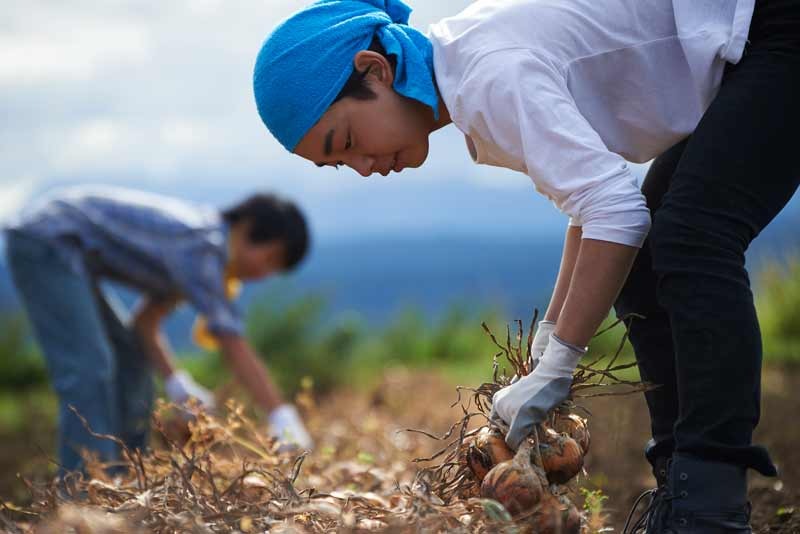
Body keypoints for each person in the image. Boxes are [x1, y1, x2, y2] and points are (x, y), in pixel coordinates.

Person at [250, 0, 800, 531]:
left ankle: (709, 509)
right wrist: (548, 341)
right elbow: (588, 205)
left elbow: (615, 211)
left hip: (773, 28)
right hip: (747, 46)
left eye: (347, 140)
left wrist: (560, 364)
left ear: (375, 70)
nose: (363, 166)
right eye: (341, 164)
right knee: (648, 256)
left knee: (690, 236)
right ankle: (683, 488)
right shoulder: (467, 70)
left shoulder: (488, 78)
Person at [4, 186, 314, 474]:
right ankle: (83, 496)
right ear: (246, 229)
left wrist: (177, 384)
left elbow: (145, 324)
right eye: (270, 258)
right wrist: (279, 415)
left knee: (130, 354)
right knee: (89, 367)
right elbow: (232, 341)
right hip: (48, 241)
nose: (264, 273)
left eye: (275, 269)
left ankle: (124, 476)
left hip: (70, 253)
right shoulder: (205, 246)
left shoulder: (197, 254)